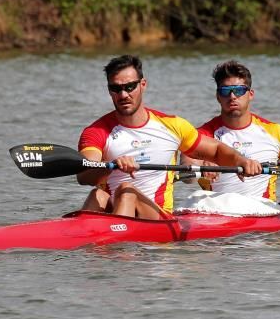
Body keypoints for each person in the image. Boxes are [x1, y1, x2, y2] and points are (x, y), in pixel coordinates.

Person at [77, 55, 262, 219]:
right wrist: (112, 165)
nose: (123, 94)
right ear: (110, 90)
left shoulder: (171, 126)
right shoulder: (96, 131)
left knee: (126, 190)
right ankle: (81, 239)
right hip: (116, 211)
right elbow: (84, 175)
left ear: (143, 85)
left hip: (159, 217)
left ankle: (117, 246)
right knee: (98, 195)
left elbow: (215, 149)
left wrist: (242, 161)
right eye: (116, 89)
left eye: (130, 86)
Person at [182, 60, 280, 201]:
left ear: (250, 94)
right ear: (218, 96)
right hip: (218, 213)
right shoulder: (202, 135)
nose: (232, 96)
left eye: (239, 90)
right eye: (225, 91)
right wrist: (202, 168)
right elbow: (185, 174)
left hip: (263, 213)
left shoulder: (275, 132)